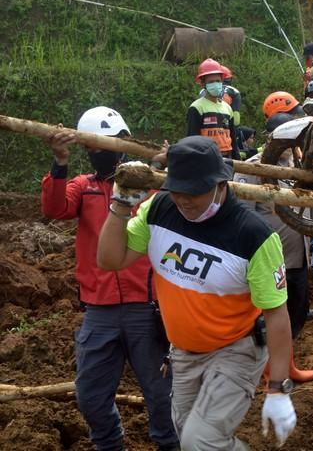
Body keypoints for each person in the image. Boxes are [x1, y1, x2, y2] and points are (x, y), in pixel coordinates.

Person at [97, 137, 297, 450]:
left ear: (220, 184)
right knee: (189, 437)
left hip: (236, 349)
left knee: (200, 441)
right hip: (184, 352)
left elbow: (276, 313)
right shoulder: (160, 208)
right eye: (177, 190)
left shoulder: (253, 235)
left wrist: (278, 389)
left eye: (194, 192)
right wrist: (121, 204)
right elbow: (111, 260)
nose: (184, 200)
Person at [41, 107, 178, 451]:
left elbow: (173, 203)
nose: (111, 152)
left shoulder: (148, 186)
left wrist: (160, 167)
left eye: (118, 144)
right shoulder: (82, 187)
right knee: (90, 395)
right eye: (102, 145)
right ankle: (110, 445)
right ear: (90, 149)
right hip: (99, 310)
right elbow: (55, 209)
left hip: (145, 307)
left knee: (161, 394)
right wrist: (59, 162)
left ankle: (170, 444)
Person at [234, 117, 313, 384]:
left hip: (297, 254)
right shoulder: (253, 167)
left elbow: (309, 202)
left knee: (295, 313)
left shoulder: (298, 164)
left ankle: (287, 365)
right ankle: (266, 371)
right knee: (268, 318)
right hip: (268, 259)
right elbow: (243, 213)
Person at [187, 58, 238, 159]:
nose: (215, 84)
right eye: (211, 82)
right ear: (203, 84)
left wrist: (237, 159)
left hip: (227, 157)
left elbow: (232, 136)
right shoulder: (197, 107)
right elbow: (192, 139)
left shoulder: (227, 108)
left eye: (218, 81)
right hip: (206, 158)